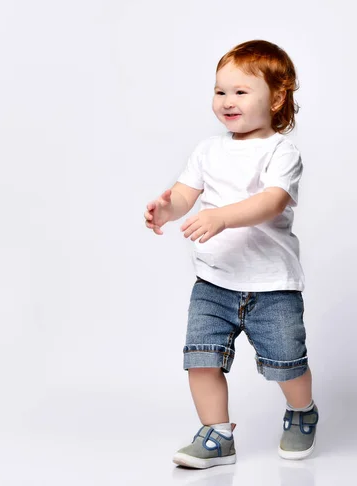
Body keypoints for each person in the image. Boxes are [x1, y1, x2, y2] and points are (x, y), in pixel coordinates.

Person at [144, 40, 318, 468]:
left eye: (241, 91)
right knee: (200, 360)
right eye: (220, 91)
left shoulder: (281, 151)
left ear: (277, 98)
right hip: (214, 282)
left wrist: (222, 217)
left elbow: (273, 201)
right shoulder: (208, 150)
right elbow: (185, 195)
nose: (227, 101)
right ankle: (217, 434)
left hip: (271, 286)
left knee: (286, 365)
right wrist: (167, 208)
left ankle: (302, 411)